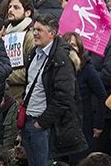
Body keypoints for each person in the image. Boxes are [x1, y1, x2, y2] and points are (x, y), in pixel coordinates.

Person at [22, 14, 87, 166]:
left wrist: (42, 122)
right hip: (29, 121)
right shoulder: (33, 53)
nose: (35, 33)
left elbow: (64, 96)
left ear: (51, 34)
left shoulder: (60, 58)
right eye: (34, 29)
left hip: (45, 126)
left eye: (39, 30)